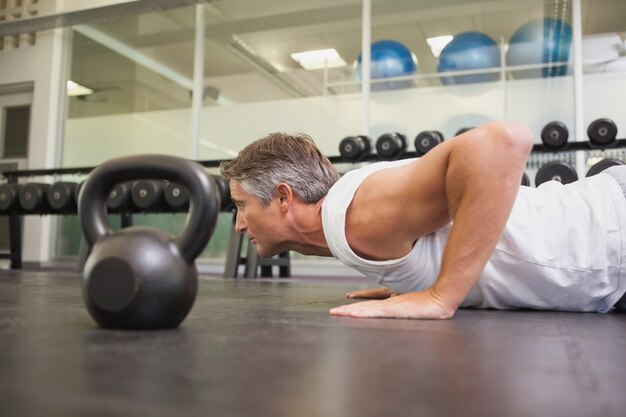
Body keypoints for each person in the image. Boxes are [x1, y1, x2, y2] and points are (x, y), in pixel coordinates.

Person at [220, 122, 626, 319]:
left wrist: (440, 296)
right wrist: (419, 281)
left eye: (241, 205)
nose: (239, 225)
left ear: (283, 197)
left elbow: (501, 143)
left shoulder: (352, 213)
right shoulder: (350, 221)